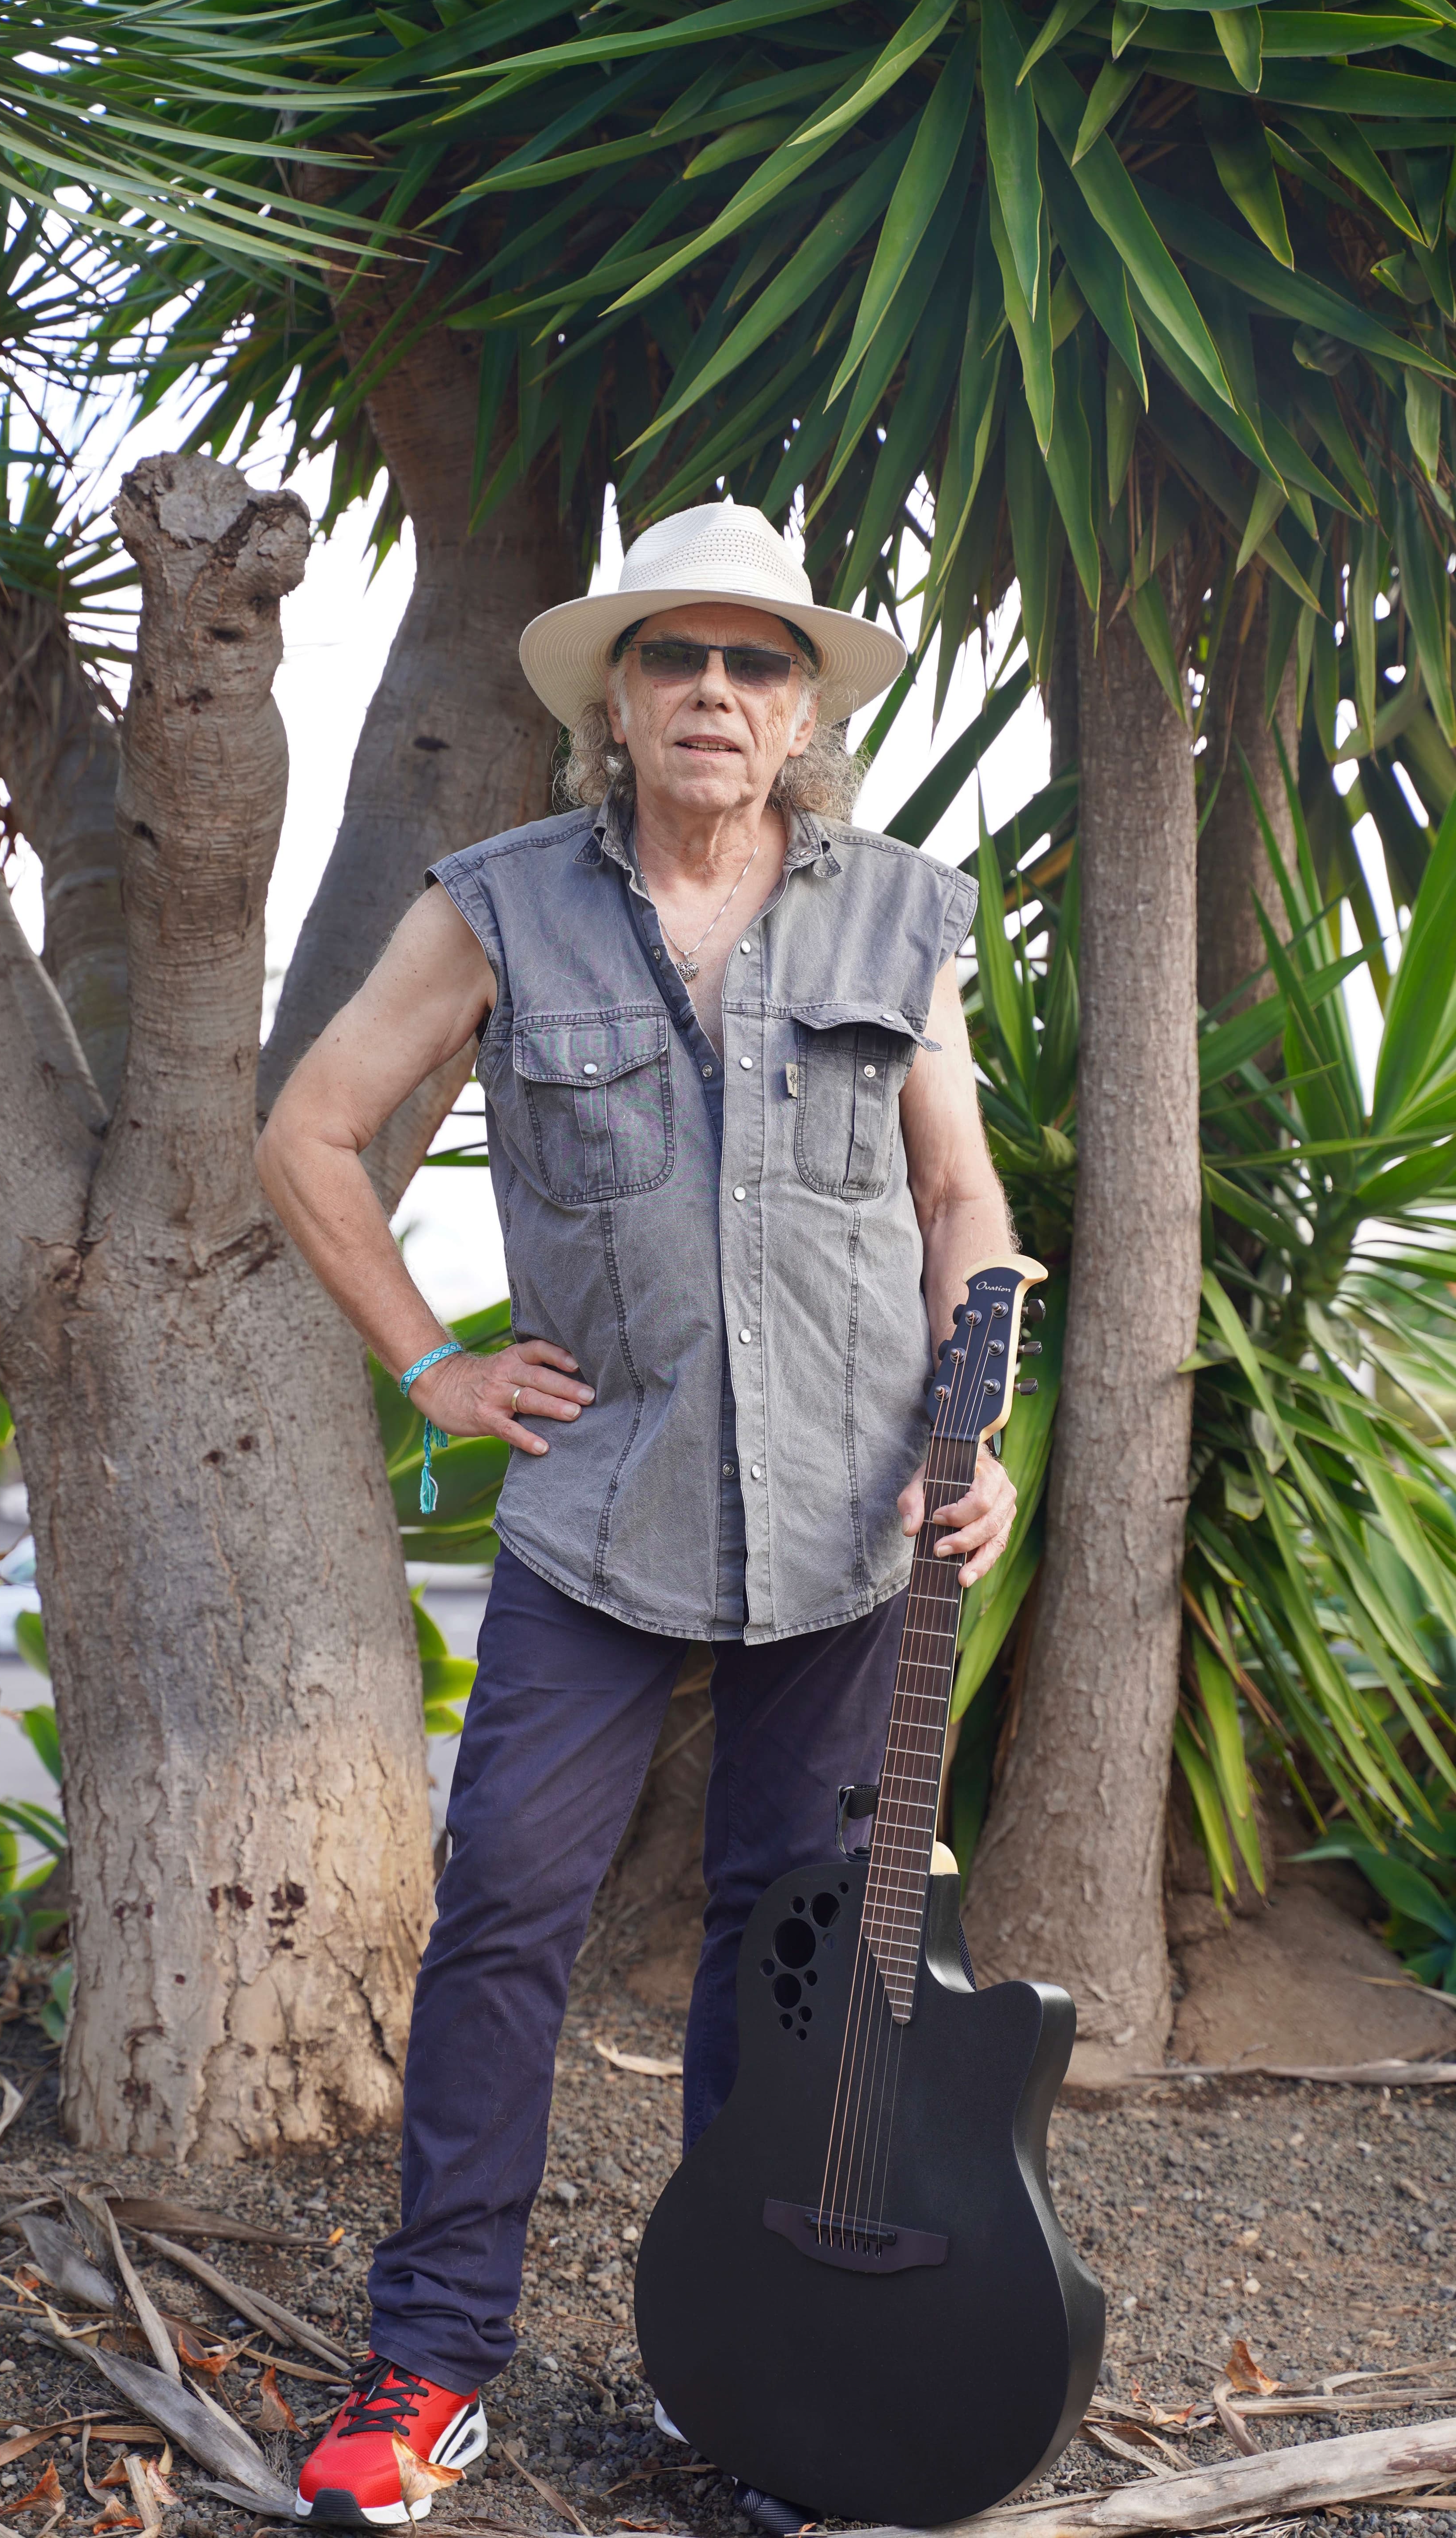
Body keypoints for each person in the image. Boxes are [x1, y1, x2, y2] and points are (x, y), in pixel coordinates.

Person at [257, 502, 1019, 2530]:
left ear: (801, 713)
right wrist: (432, 1363)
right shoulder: (502, 903)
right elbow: (312, 1132)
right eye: (674, 656)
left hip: (853, 1526)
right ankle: (428, 2373)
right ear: (616, 697)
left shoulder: (901, 919)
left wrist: (981, 1434)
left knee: (785, 1955)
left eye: (754, 662)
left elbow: (962, 1202)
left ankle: (739, 2376)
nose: (711, 691)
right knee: (505, 1912)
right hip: (597, 1513)